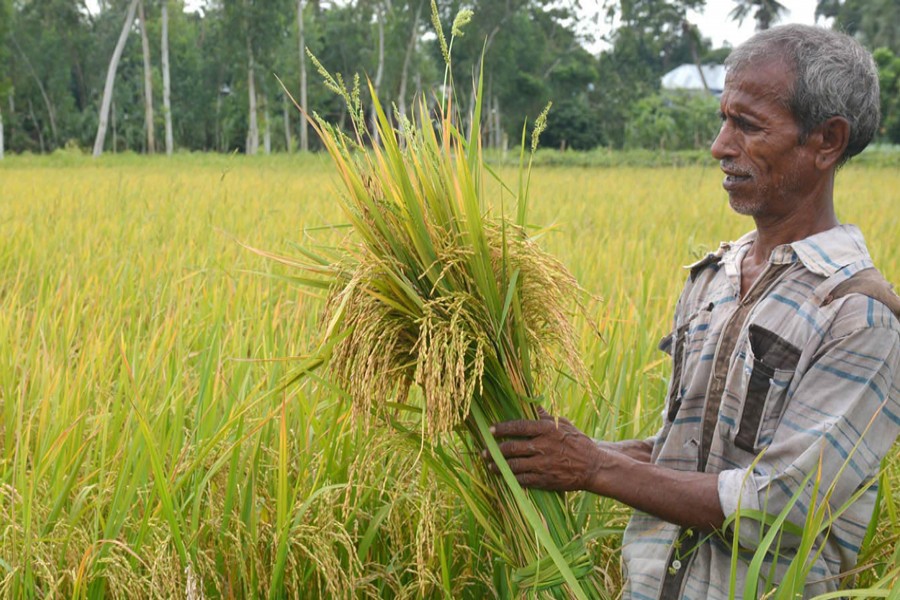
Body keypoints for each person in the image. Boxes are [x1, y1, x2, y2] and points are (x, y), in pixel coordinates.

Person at [487, 24, 900, 599]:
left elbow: (783, 504)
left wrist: (594, 470)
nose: (719, 146)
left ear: (827, 140)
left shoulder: (859, 316)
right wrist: (559, 450)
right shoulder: (712, 280)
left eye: (748, 125)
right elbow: (685, 453)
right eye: (723, 118)